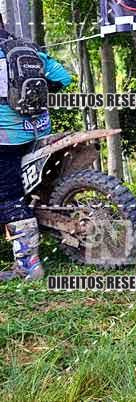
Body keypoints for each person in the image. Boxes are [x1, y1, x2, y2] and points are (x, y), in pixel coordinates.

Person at [0, 16, 72, 281]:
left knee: (8, 197)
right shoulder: (29, 48)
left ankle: (28, 266)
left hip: (7, 139)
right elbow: (64, 78)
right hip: (39, 132)